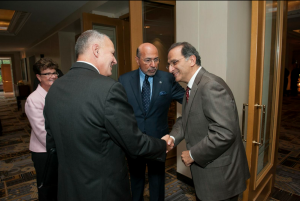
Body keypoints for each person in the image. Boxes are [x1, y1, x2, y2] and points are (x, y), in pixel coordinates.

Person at [43, 30, 173, 201]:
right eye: (112, 53)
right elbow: (133, 142)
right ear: (96, 50)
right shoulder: (108, 88)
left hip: (68, 186)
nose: (115, 60)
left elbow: (52, 143)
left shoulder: (55, 88)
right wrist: (162, 145)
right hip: (103, 189)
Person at [165, 42, 250, 201]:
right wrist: (172, 137)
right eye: (169, 64)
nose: (170, 69)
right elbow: (186, 118)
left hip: (221, 178)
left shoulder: (211, 86)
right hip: (208, 174)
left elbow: (224, 133)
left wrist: (193, 154)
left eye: (174, 62)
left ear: (191, 60)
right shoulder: (191, 87)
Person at [118, 43, 185, 201]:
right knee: (136, 180)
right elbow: (118, 109)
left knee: (157, 181)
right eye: (148, 60)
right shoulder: (124, 79)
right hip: (135, 140)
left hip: (158, 140)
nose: (153, 65)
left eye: (156, 60)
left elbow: (187, 99)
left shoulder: (167, 78)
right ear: (137, 59)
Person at [25, 58, 59, 201]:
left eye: (54, 72)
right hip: (45, 152)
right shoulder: (33, 99)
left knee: (60, 185)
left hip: (59, 149)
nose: (52, 76)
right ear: (39, 77)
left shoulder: (58, 94)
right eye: (47, 74)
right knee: (47, 188)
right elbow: (42, 133)